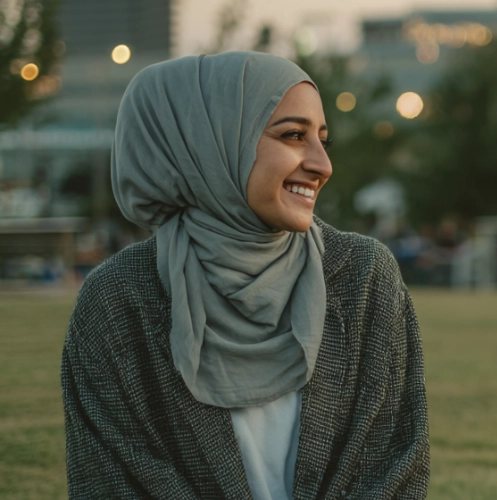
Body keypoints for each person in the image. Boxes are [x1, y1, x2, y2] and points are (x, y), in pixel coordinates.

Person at [62, 52, 429, 499]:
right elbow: (110, 483)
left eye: (323, 140)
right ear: (208, 143)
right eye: (293, 135)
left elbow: (394, 467)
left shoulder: (364, 277)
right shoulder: (118, 299)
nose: (322, 165)